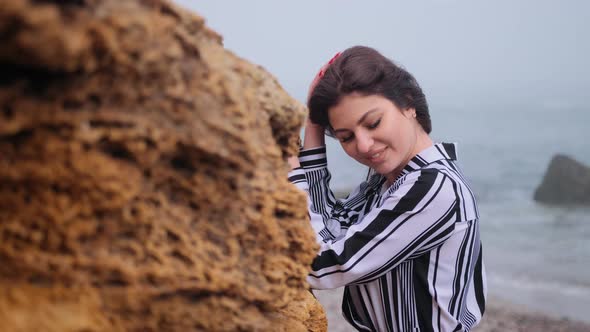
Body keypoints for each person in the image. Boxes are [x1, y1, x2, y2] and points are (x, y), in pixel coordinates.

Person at [287, 46, 486, 332]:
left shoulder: (433, 189)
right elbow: (329, 225)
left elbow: (321, 266)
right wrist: (314, 124)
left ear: (408, 103)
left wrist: (293, 175)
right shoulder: (388, 181)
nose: (364, 145)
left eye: (373, 123)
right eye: (346, 137)